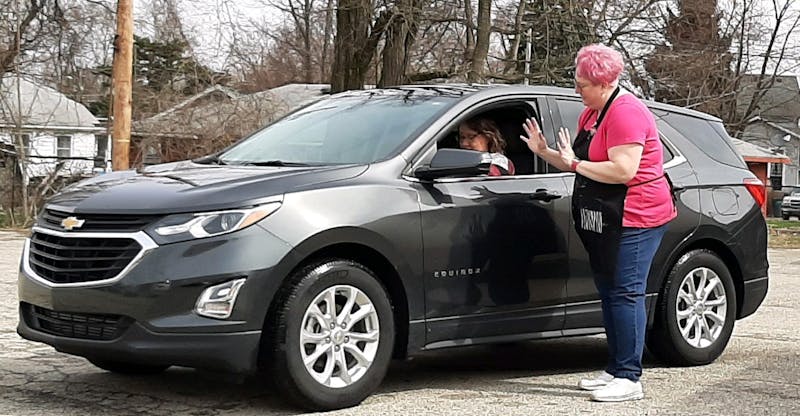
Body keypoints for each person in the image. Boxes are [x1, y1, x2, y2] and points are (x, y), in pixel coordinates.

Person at [520, 43, 676, 402]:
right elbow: (579, 162)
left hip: (638, 214)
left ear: (604, 82)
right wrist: (544, 153)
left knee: (625, 290)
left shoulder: (626, 113)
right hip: (606, 216)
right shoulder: (590, 114)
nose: (577, 89)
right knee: (608, 289)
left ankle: (629, 377)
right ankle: (614, 368)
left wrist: (574, 164)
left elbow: (623, 171)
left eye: (582, 84)